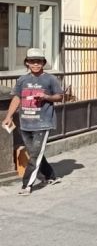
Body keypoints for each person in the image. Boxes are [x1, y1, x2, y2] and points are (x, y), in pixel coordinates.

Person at [3, 48, 64, 196]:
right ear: (27, 63)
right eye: (32, 61)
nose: (36, 64)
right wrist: (9, 116)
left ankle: (27, 185)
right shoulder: (22, 80)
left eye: (39, 61)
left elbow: (60, 96)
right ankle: (50, 176)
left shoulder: (50, 79)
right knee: (34, 154)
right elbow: (17, 98)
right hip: (25, 124)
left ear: (43, 63)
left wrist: (45, 97)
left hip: (43, 123)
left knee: (35, 155)